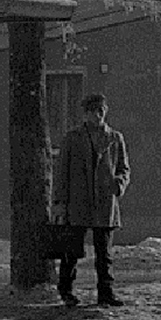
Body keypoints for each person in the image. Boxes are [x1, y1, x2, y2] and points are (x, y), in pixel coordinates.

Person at [52, 93, 131, 307]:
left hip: (105, 202)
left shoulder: (115, 138)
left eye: (101, 110)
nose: (98, 115)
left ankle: (106, 292)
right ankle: (66, 289)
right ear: (85, 114)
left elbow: (124, 168)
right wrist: (60, 202)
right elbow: (62, 172)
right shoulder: (73, 138)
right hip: (78, 201)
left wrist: (119, 184)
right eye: (94, 111)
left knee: (104, 252)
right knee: (72, 250)